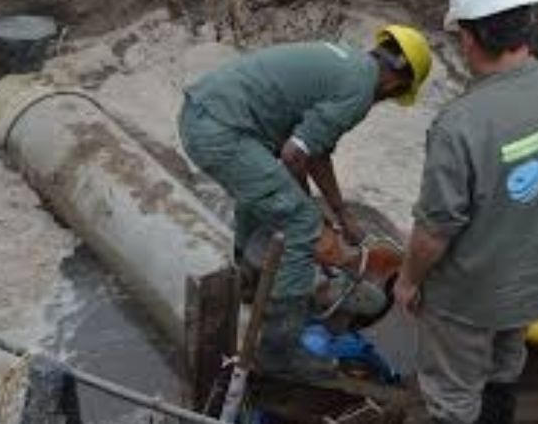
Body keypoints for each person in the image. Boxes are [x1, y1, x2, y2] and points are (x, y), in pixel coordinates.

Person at [394, 0, 538, 423]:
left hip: (471, 294)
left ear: (468, 37)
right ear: (526, 28)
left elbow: (436, 229)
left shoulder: (461, 124)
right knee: (505, 366)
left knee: (453, 396)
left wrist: (408, 280)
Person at [178, 25, 432, 379]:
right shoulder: (360, 90)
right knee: (298, 221)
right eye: (391, 97)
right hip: (222, 131)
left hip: (206, 113)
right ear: (394, 85)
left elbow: (315, 151)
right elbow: (294, 156)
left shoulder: (346, 64)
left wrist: (341, 213)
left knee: (265, 196)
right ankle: (279, 349)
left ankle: (250, 281)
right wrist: (312, 216)